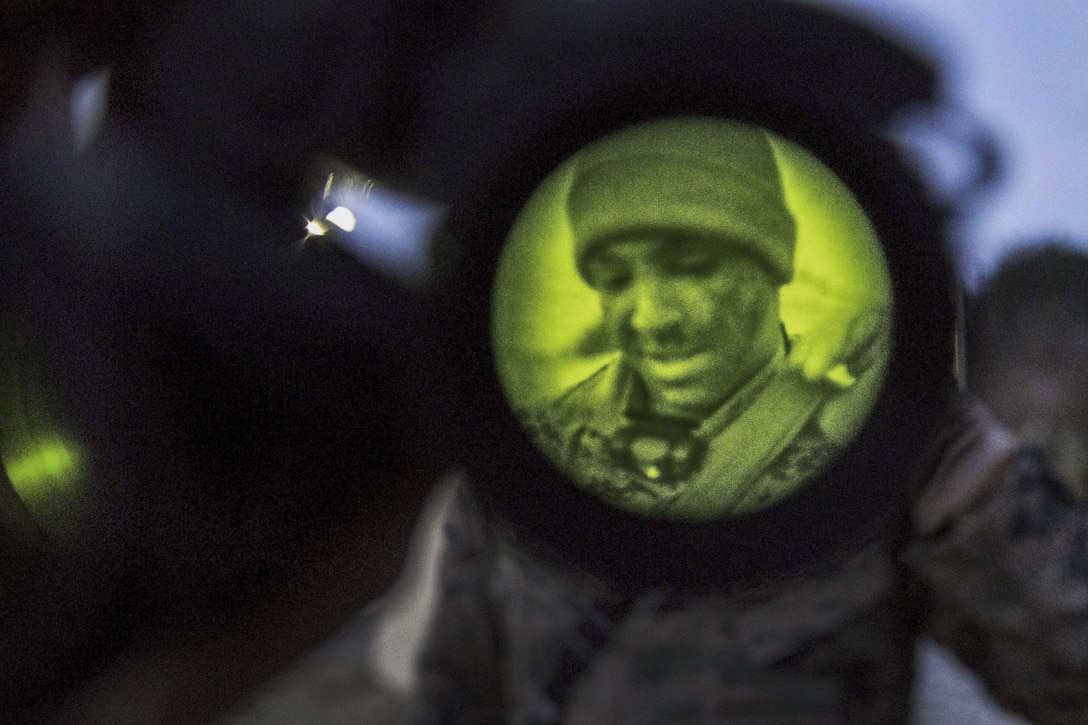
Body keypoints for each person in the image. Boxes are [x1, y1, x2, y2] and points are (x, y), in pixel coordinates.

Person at [520, 119, 880, 520]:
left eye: (692, 267)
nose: (650, 319)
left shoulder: (861, 425)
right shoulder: (533, 443)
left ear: (775, 262)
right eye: (614, 279)